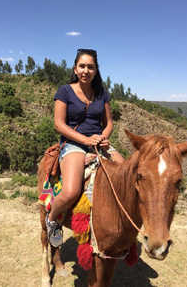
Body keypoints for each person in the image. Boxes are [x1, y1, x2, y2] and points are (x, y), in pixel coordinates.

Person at [46, 48, 124, 247]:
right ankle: (52, 219)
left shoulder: (102, 94)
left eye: (90, 67)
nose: (86, 71)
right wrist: (85, 140)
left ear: (96, 70)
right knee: (71, 191)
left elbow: (109, 124)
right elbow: (59, 124)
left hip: (98, 142)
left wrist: (103, 139)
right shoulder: (65, 91)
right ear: (75, 68)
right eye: (82, 66)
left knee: (127, 175)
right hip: (73, 143)